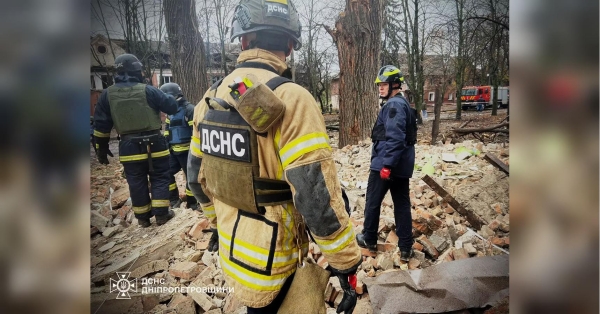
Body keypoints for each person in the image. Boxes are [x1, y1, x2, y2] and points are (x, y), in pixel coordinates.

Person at [187, 1, 362, 313]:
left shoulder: (209, 100)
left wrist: (217, 223)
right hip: (277, 264)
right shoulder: (294, 99)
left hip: (233, 254)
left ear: (242, 40)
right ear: (290, 46)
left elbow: (195, 178)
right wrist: (345, 262)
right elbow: (314, 196)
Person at [93, 53, 178, 228]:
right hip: (155, 143)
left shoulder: (107, 95)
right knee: (160, 176)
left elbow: (101, 126)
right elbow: (171, 106)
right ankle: (162, 215)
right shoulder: (148, 90)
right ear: (137, 70)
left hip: (129, 146)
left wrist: (101, 149)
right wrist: (168, 94)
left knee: (136, 180)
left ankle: (143, 218)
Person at [356, 65, 417, 262]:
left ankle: (369, 239)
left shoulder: (393, 106)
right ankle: (406, 248)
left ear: (395, 85)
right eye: (379, 85)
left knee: (372, 202)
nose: (380, 88)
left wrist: (387, 166)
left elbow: (395, 138)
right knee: (401, 205)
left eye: (383, 84)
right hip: (401, 166)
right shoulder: (402, 103)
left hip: (385, 165)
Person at [159, 82, 199, 210]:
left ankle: (192, 203)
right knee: (165, 173)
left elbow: (196, 132)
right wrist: (166, 145)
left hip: (188, 152)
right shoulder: (171, 112)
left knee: (191, 178)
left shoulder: (190, 110)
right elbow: (167, 130)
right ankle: (174, 199)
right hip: (174, 152)